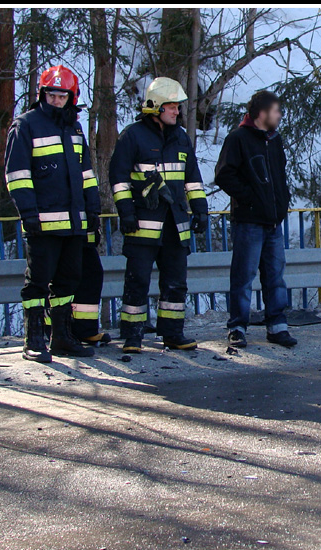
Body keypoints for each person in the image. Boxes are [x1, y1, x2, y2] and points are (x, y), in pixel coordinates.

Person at [5, 64, 98, 362]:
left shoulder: (74, 127)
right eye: (51, 95)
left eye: (62, 96)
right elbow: (17, 175)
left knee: (69, 279)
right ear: (42, 94)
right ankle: (33, 339)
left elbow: (86, 173)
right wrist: (28, 213)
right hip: (41, 222)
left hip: (74, 221)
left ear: (72, 98)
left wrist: (92, 210)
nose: (56, 101)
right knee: (38, 281)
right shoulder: (26, 125)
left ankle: (61, 337)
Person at [110, 77, 208, 353]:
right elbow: (118, 179)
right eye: (172, 107)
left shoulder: (181, 138)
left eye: (178, 107)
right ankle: (132, 335)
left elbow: (192, 180)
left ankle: (172, 333)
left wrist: (200, 210)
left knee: (176, 283)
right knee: (137, 282)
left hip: (176, 225)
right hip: (142, 226)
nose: (177, 112)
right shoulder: (132, 137)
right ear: (155, 108)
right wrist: (126, 213)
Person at [215, 90, 296, 349]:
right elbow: (224, 175)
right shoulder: (238, 139)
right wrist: (249, 199)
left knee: (275, 276)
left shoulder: (275, 140)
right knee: (244, 276)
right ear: (262, 114)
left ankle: (277, 326)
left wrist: (282, 202)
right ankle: (237, 327)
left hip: (273, 223)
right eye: (276, 111)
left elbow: (280, 177)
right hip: (249, 221)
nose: (279, 115)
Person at [70, 222, 111, 346]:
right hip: (61, 232)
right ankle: (57, 331)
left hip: (82, 234)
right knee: (62, 280)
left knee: (91, 275)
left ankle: (85, 330)